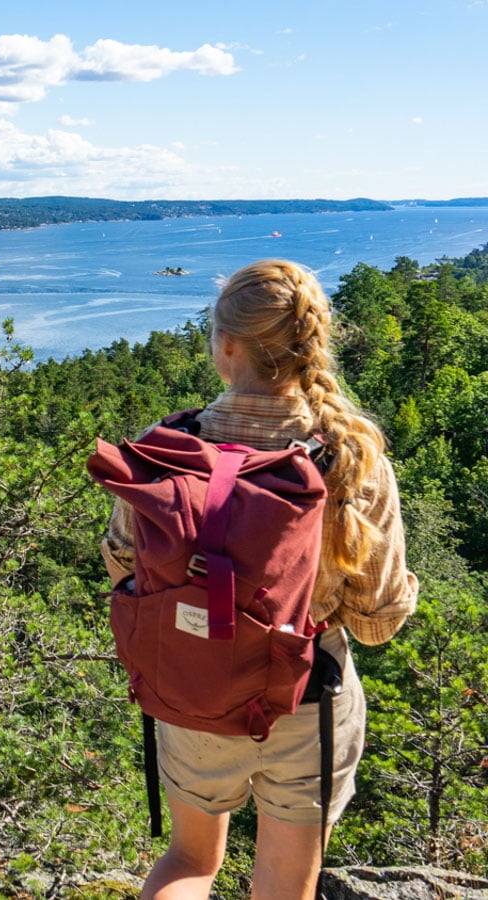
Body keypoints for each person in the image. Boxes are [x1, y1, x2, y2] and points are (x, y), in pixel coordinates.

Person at [101, 259, 418, 900]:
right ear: (312, 345)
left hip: (190, 686)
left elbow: (120, 566)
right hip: (307, 696)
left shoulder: (165, 449)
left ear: (225, 346)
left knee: (189, 862)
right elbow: (378, 623)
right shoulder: (351, 459)